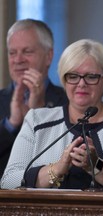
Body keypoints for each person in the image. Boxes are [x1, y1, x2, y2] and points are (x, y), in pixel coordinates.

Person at [1, 39, 103, 190]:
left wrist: (97, 166)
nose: (81, 84)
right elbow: (8, 182)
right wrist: (55, 169)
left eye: (91, 76)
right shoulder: (37, 120)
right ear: (63, 80)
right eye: (73, 76)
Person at [0, 19, 68, 179]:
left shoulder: (70, 101)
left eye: (27, 51)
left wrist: (38, 113)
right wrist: (11, 123)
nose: (18, 60)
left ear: (48, 56)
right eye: (12, 53)